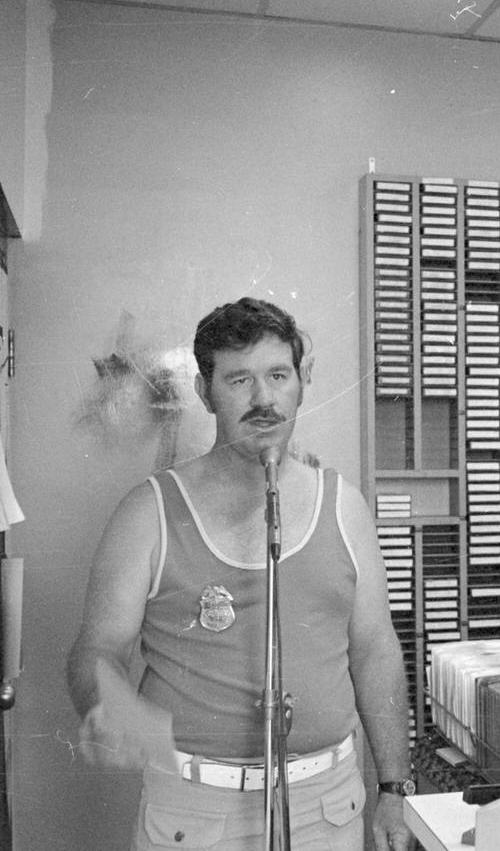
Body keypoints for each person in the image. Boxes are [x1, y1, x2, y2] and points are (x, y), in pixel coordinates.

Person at [67, 297, 415, 851]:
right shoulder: (149, 512)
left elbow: (375, 649)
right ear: (205, 393)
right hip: (196, 813)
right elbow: (99, 648)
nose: (263, 400)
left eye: (278, 375)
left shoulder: (344, 506)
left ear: (301, 380)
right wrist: (111, 712)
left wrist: (396, 788)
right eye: (238, 380)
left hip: (330, 805)